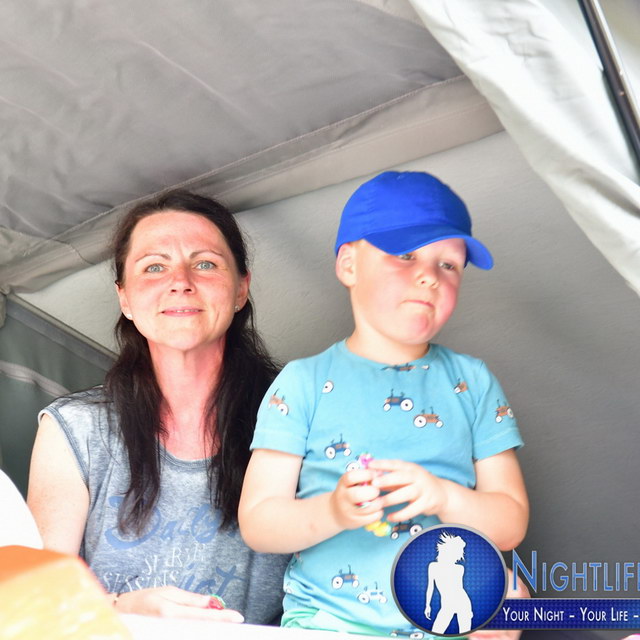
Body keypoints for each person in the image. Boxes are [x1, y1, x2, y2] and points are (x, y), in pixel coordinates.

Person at [238, 171, 529, 636]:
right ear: (349, 265)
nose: (429, 276)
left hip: (445, 621)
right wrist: (333, 511)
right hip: (331, 622)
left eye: (449, 265)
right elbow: (259, 522)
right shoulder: (303, 383)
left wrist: (444, 496)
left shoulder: (472, 381)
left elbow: (510, 523)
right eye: (406, 255)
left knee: (513, 594)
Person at [27, 191, 289, 623]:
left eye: (206, 263)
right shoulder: (75, 427)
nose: (180, 281)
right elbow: (35, 600)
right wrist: (124, 610)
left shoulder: (298, 419)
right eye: (154, 267)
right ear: (125, 299)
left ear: (241, 288)